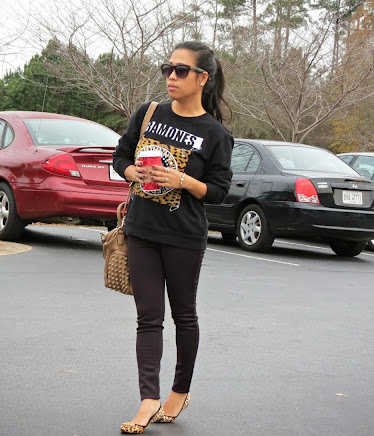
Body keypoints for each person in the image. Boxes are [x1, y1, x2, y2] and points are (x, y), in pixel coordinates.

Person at [112, 40, 234, 434]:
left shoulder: (215, 133)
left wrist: (182, 180)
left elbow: (219, 191)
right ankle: (149, 398)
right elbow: (120, 156)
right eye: (167, 68)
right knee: (148, 317)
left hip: (184, 236)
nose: (171, 76)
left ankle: (180, 390)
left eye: (181, 70)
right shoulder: (149, 114)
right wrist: (133, 172)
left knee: (184, 315)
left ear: (202, 78)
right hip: (141, 230)